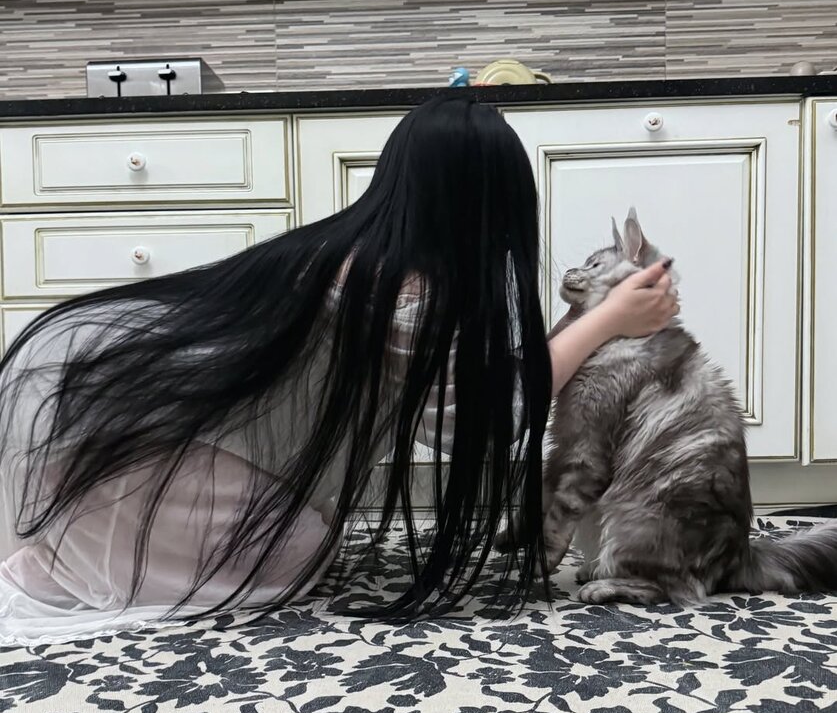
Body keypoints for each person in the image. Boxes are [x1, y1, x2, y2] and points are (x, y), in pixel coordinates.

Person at [0, 93, 676, 643]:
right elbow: (485, 416)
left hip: (106, 456)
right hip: (135, 487)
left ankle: (76, 550)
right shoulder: (406, 291)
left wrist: (594, 318)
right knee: (301, 552)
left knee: (308, 537)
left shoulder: (348, 252)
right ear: (494, 207)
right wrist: (606, 321)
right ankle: (80, 561)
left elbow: (477, 381)